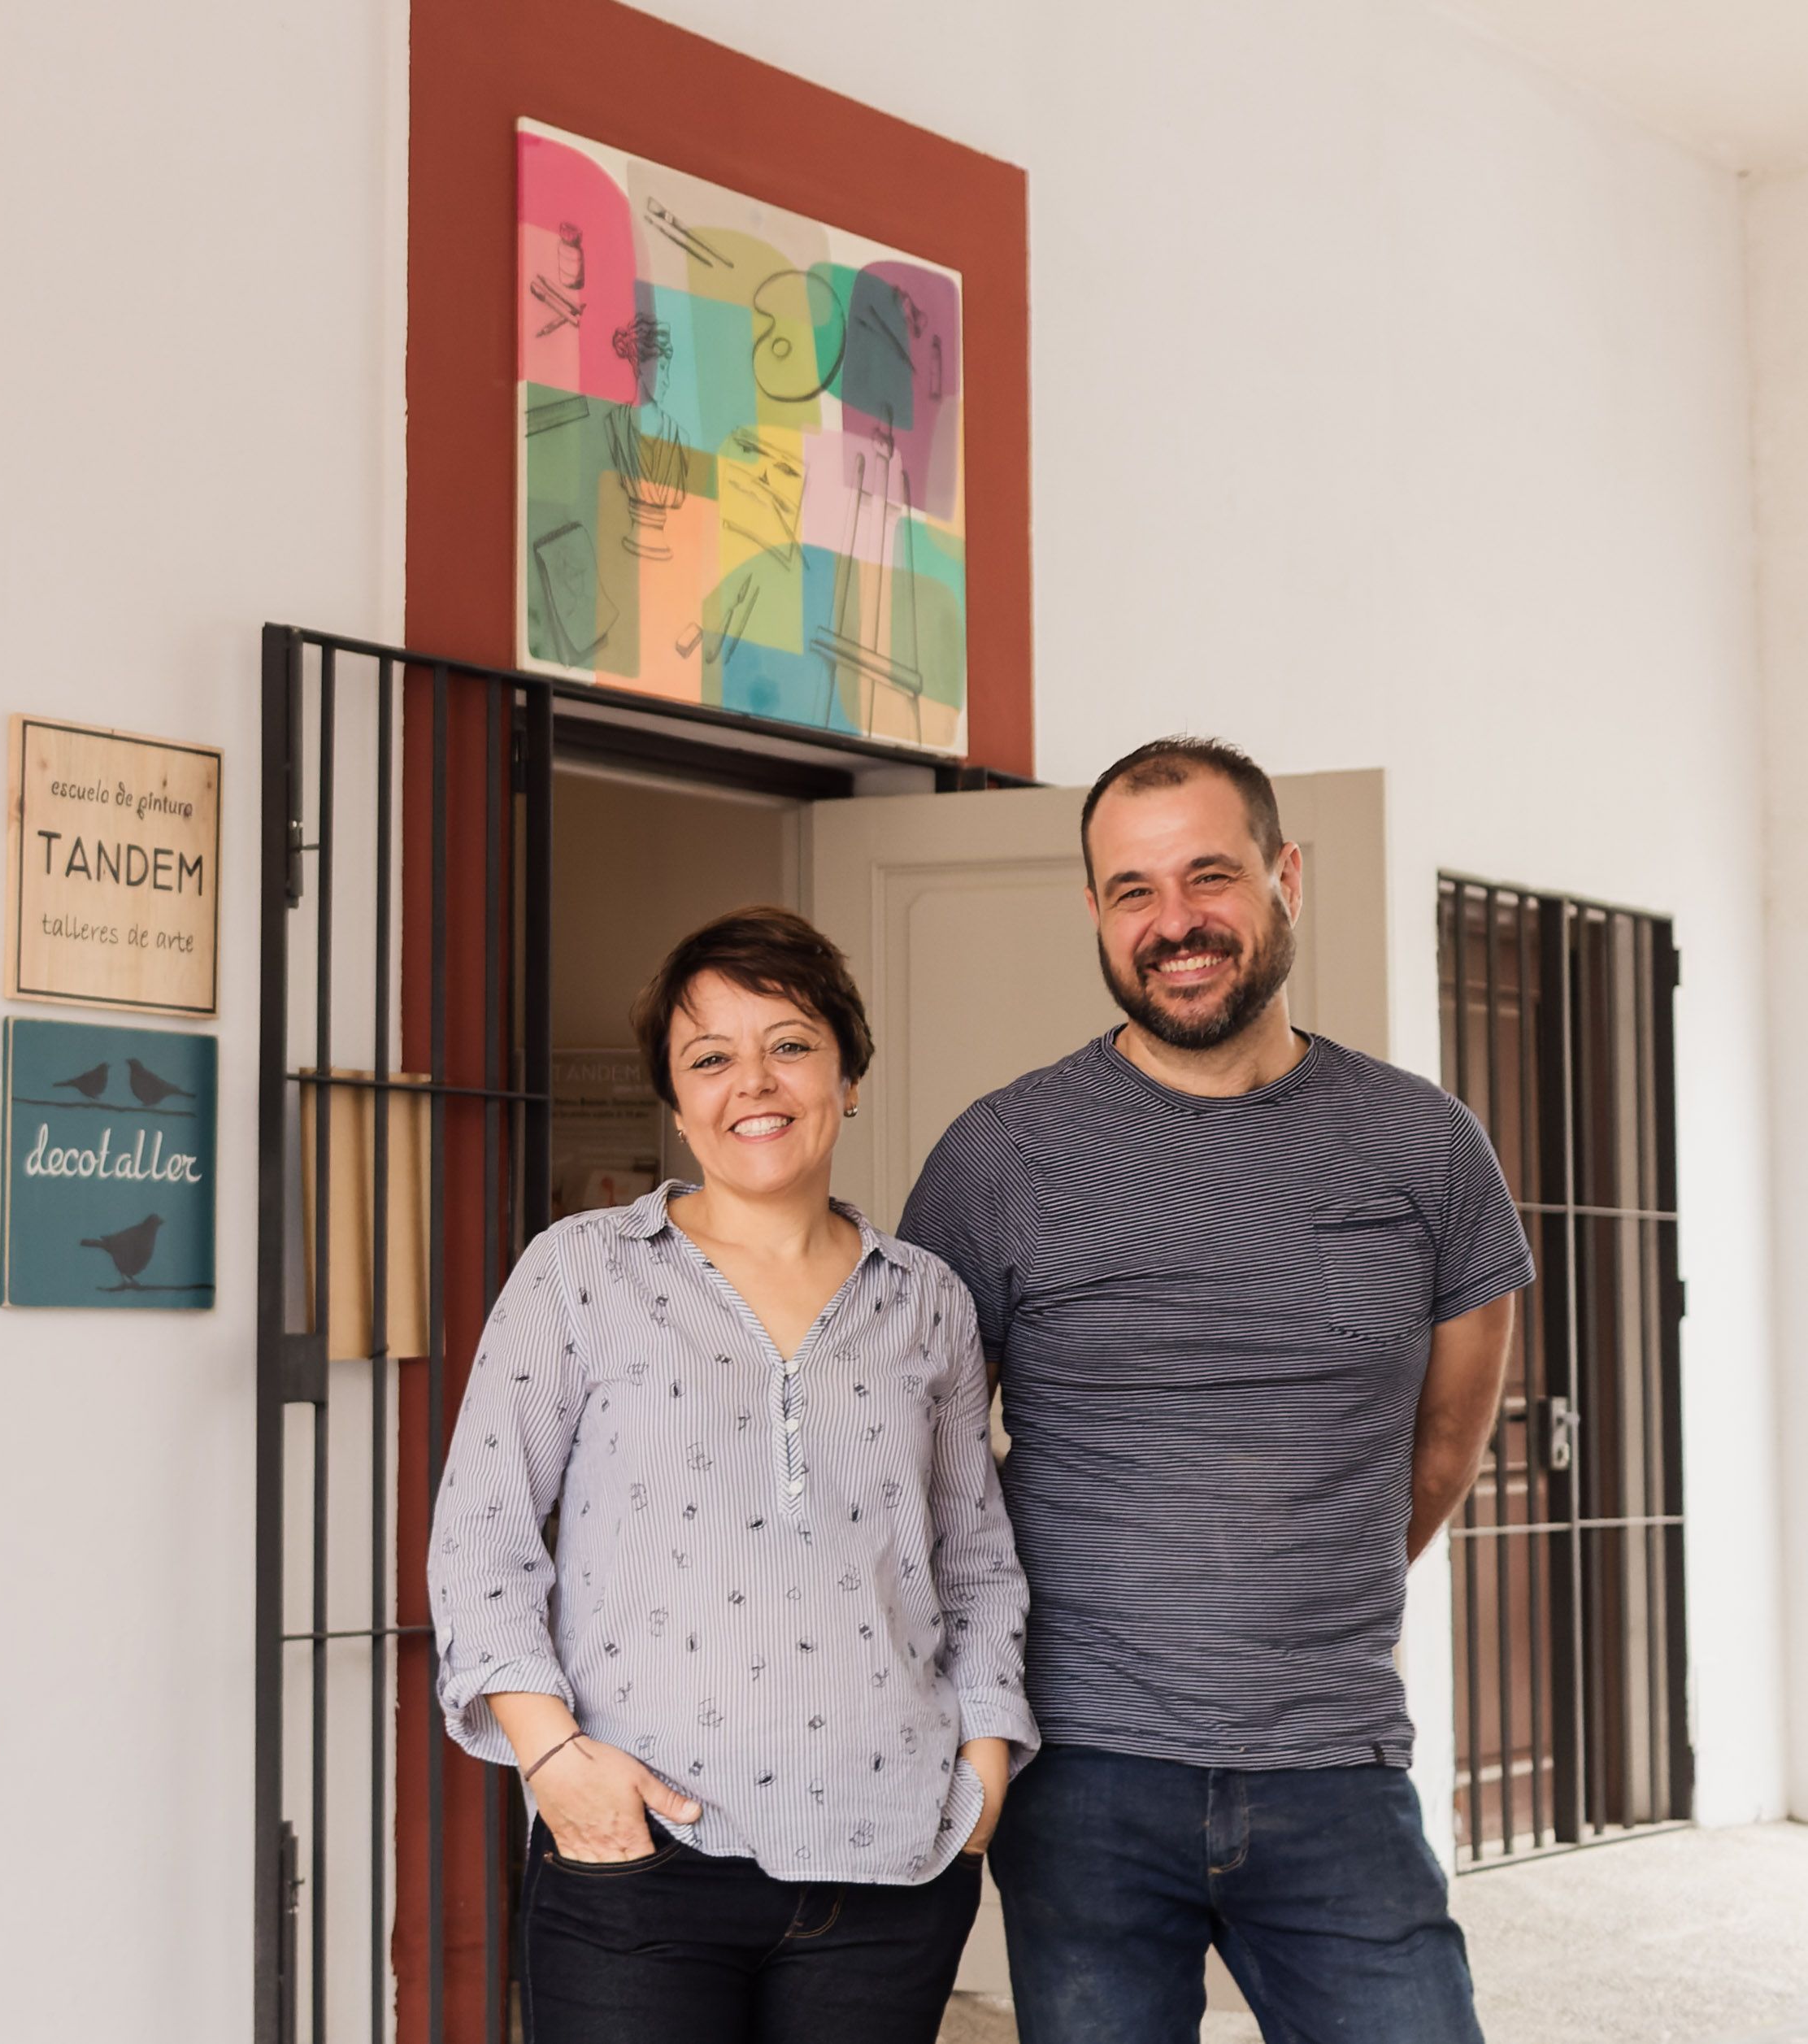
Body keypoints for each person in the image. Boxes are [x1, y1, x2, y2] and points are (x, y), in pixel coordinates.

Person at [897, 738, 1532, 2044]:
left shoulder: (1428, 1147)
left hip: (1337, 1761)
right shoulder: (999, 1156)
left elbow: (1443, 1448)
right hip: (1082, 1774)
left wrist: (1295, 1594)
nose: (1174, 922)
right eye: (1132, 890)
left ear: (1285, 874)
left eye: (1208, 875)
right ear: (1093, 911)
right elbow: (934, 1473)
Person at [429, 906, 1035, 2044]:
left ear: (848, 1074)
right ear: (676, 1094)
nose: (752, 1081)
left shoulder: (929, 1301)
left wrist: (985, 1762)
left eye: (791, 1044)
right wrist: (554, 1759)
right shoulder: (581, 1273)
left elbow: (977, 1559)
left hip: (891, 1865)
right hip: (638, 1858)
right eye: (710, 1056)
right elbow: (480, 1534)